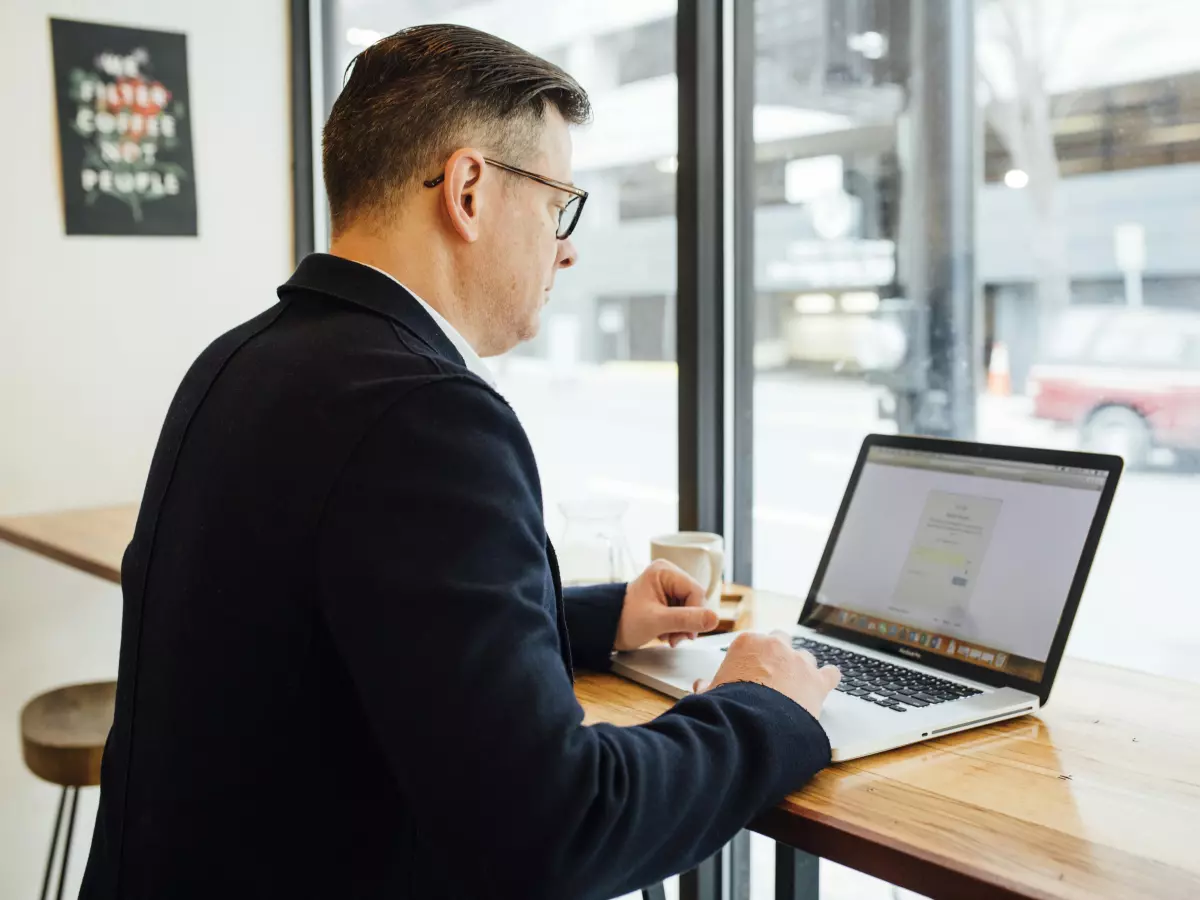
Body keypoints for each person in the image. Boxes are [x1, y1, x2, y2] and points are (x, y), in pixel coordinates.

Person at [80, 24, 840, 900]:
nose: (567, 246)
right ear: (470, 189)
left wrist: (597, 619)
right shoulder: (425, 415)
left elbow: (348, 618)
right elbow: (556, 830)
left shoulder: (238, 361)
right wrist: (760, 708)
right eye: (559, 203)